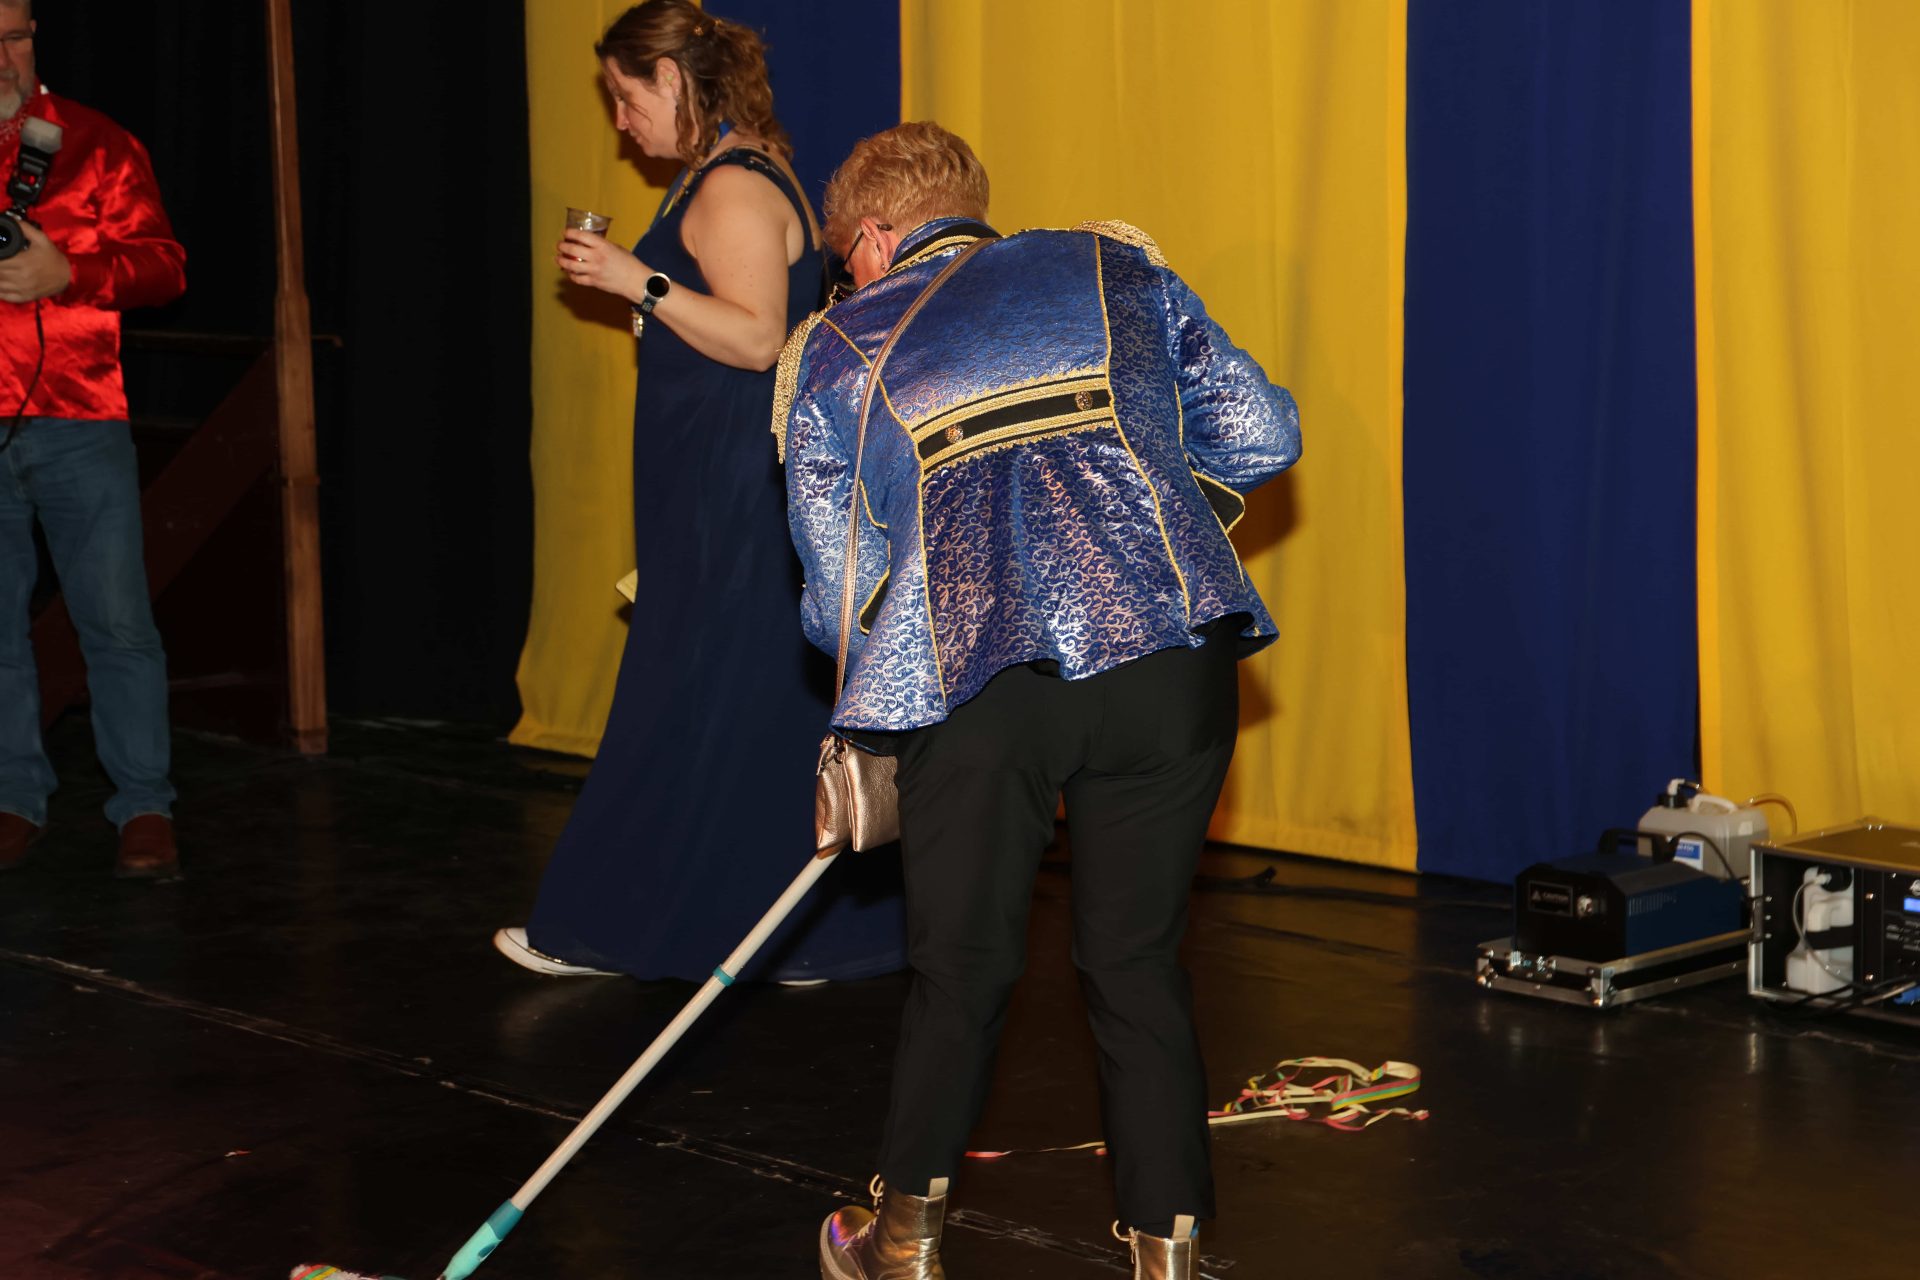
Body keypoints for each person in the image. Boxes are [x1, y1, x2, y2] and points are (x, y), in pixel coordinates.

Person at [778, 123, 1302, 1280]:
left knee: (961, 972)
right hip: (1170, 650)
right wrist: (1155, 497)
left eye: (842, 259)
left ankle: (900, 1244)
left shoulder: (840, 344)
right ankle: (1169, 1255)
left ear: (873, 239)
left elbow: (838, 598)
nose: (844, 282)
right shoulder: (1117, 265)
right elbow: (1266, 435)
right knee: (1137, 962)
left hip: (979, 671)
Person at [494, 0, 904, 984]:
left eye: (627, 97)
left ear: (673, 80)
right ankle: (812, 937)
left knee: (683, 701)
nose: (620, 121)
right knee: (746, 707)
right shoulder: (730, 173)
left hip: (731, 488)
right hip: (721, 481)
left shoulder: (731, 185)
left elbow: (759, 338)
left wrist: (634, 279)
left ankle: (600, 924)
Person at [0, 0, 186, 879]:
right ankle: (13, 798)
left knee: (115, 622)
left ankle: (144, 805)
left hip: (79, 418)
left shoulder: (97, 142)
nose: (3, 56)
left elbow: (165, 266)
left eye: (14, 35)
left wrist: (66, 272)